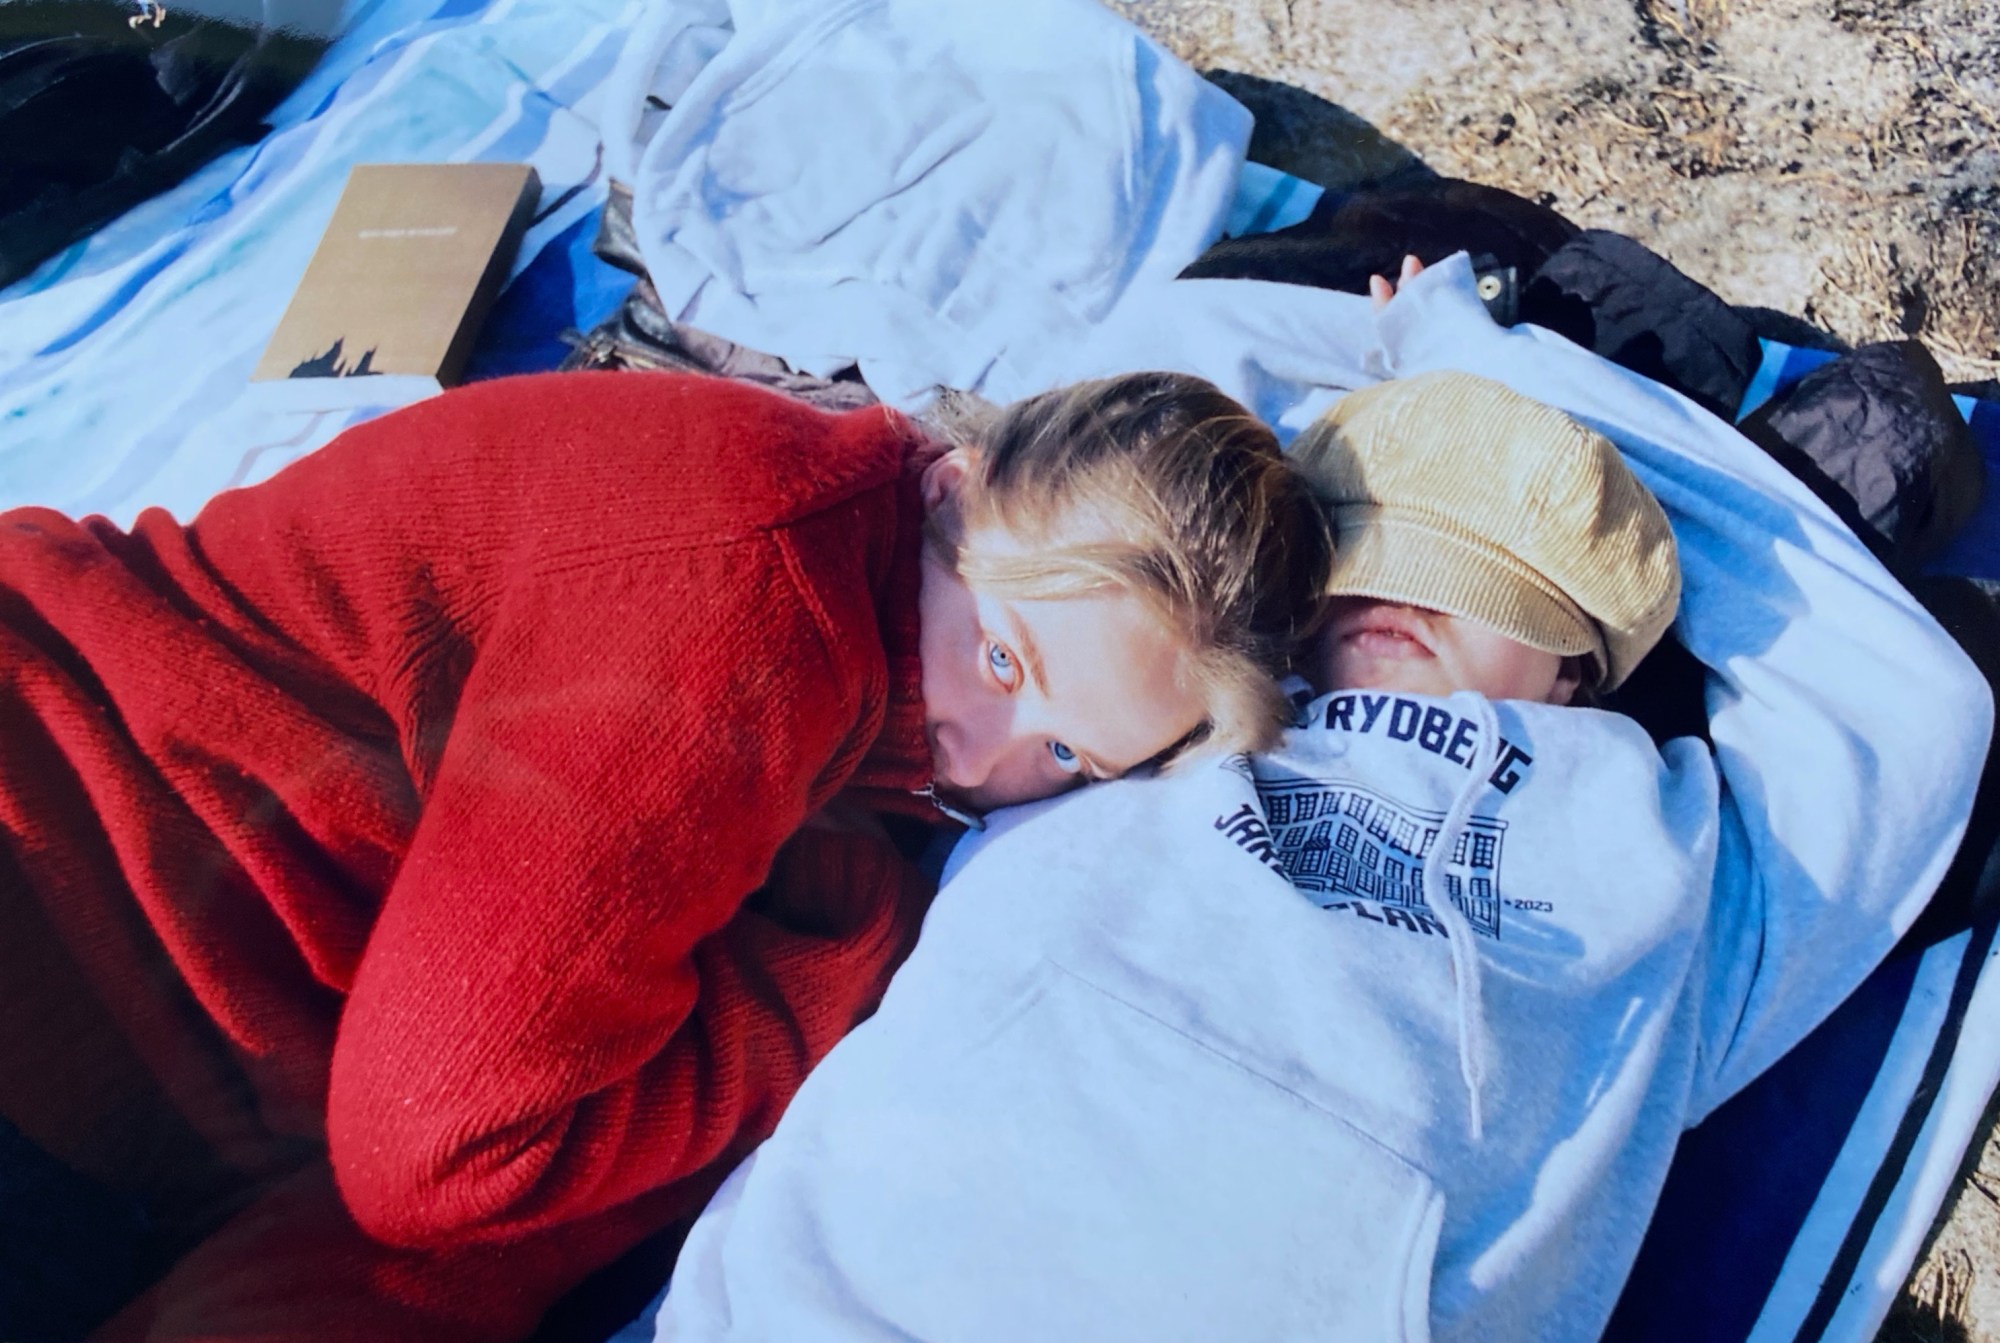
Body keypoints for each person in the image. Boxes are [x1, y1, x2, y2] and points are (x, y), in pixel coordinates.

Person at [649, 365, 1990, 1343]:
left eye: (1477, 580)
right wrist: (1440, 339)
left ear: (1585, 669)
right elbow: (1174, 393)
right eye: (1356, 558)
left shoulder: (1684, 845)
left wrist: (1560, 404)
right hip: (850, 1259)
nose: (1398, 600)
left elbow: (1923, 700)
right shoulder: (1166, 701)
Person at [0, 366, 1332, 1341]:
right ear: (953, 482)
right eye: (1003, 658)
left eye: (1068, 759)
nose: (983, 761)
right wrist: (818, 987)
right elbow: (447, 1153)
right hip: (56, 900)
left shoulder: (855, 604)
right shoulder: (755, 605)